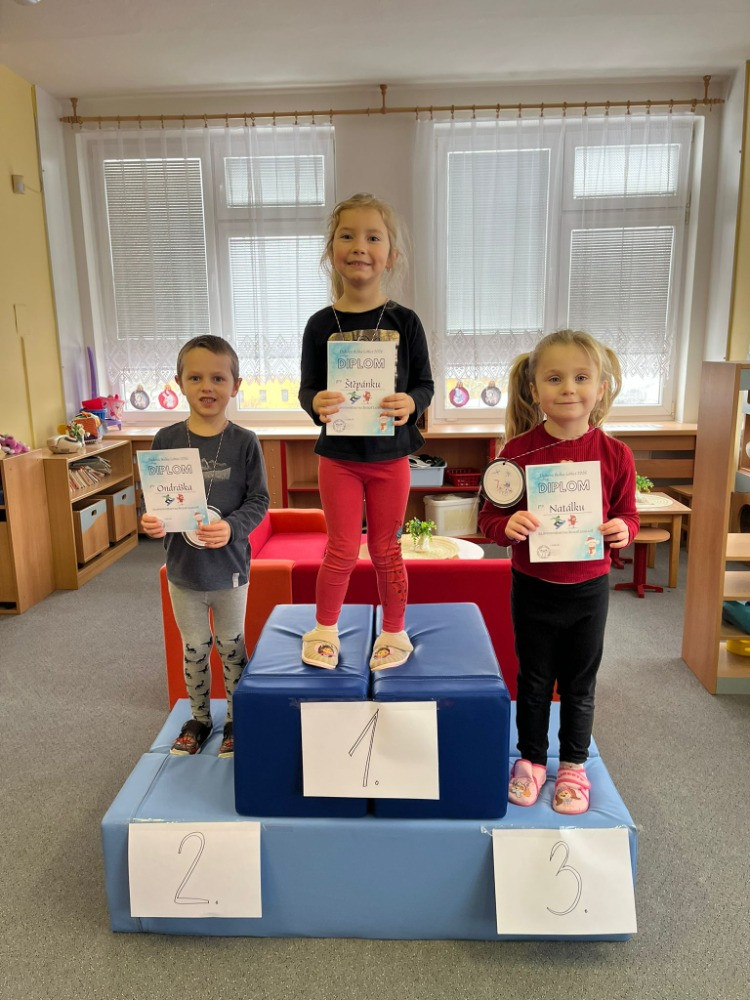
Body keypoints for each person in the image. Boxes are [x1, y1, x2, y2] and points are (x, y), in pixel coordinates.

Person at [478, 330, 639, 814]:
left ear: (601, 387)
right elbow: (489, 519)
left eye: (581, 377)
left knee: (579, 684)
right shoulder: (515, 453)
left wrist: (622, 531)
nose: (569, 388)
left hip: (589, 590)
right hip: (533, 588)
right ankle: (530, 760)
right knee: (533, 680)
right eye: (554, 378)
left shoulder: (616, 455)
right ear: (534, 390)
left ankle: (572, 765)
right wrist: (507, 526)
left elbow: (628, 516)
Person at [299, 193, 434, 670]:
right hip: (338, 460)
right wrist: (315, 402)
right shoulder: (320, 325)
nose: (360, 246)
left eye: (373, 237)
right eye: (347, 236)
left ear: (391, 255)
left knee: (385, 549)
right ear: (331, 251)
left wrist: (411, 403)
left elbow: (425, 384)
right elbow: (308, 389)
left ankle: (394, 631)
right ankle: (325, 628)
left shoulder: (405, 321)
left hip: (389, 459)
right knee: (339, 548)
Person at [141, 335, 270, 757]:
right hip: (184, 571)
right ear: (179, 383)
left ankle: (236, 718)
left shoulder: (245, 441)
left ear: (236, 385)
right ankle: (199, 718)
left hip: (230, 569)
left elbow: (259, 501)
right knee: (194, 648)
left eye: (218, 377)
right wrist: (151, 521)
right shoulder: (165, 440)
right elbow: (155, 502)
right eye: (195, 377)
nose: (207, 387)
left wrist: (232, 527)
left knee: (232, 645)